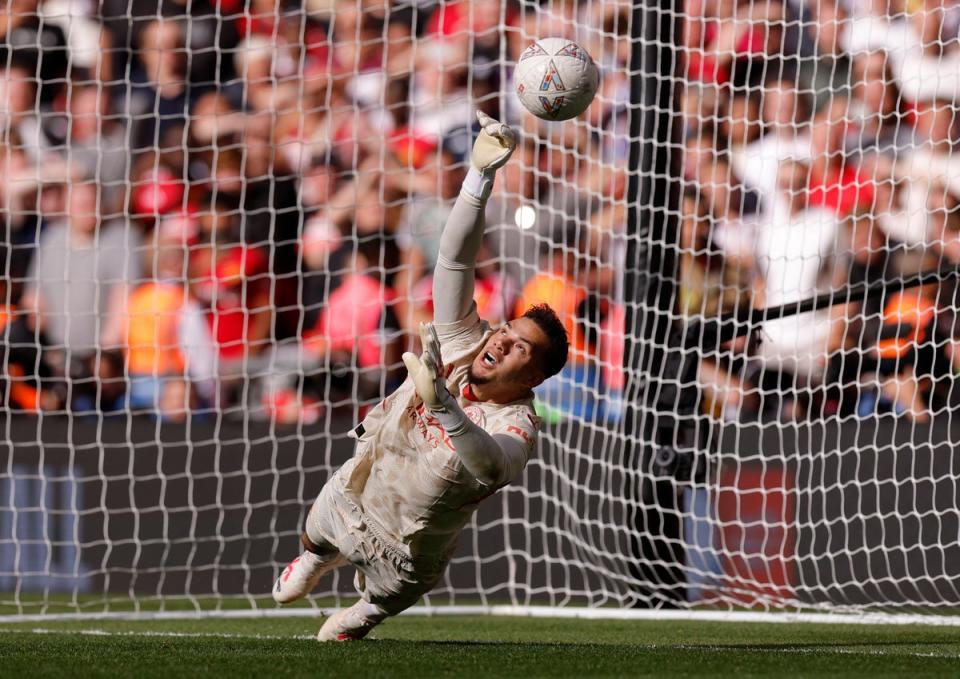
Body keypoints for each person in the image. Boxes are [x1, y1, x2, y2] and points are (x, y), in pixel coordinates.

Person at [271, 112, 569, 641]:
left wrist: (444, 408)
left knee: (372, 610)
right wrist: (478, 180)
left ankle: (360, 615)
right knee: (316, 536)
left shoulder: (518, 422)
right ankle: (316, 561)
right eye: (506, 329)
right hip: (357, 491)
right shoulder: (464, 341)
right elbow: (453, 261)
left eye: (520, 346)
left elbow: (492, 465)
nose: (500, 339)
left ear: (533, 378)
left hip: (407, 550)